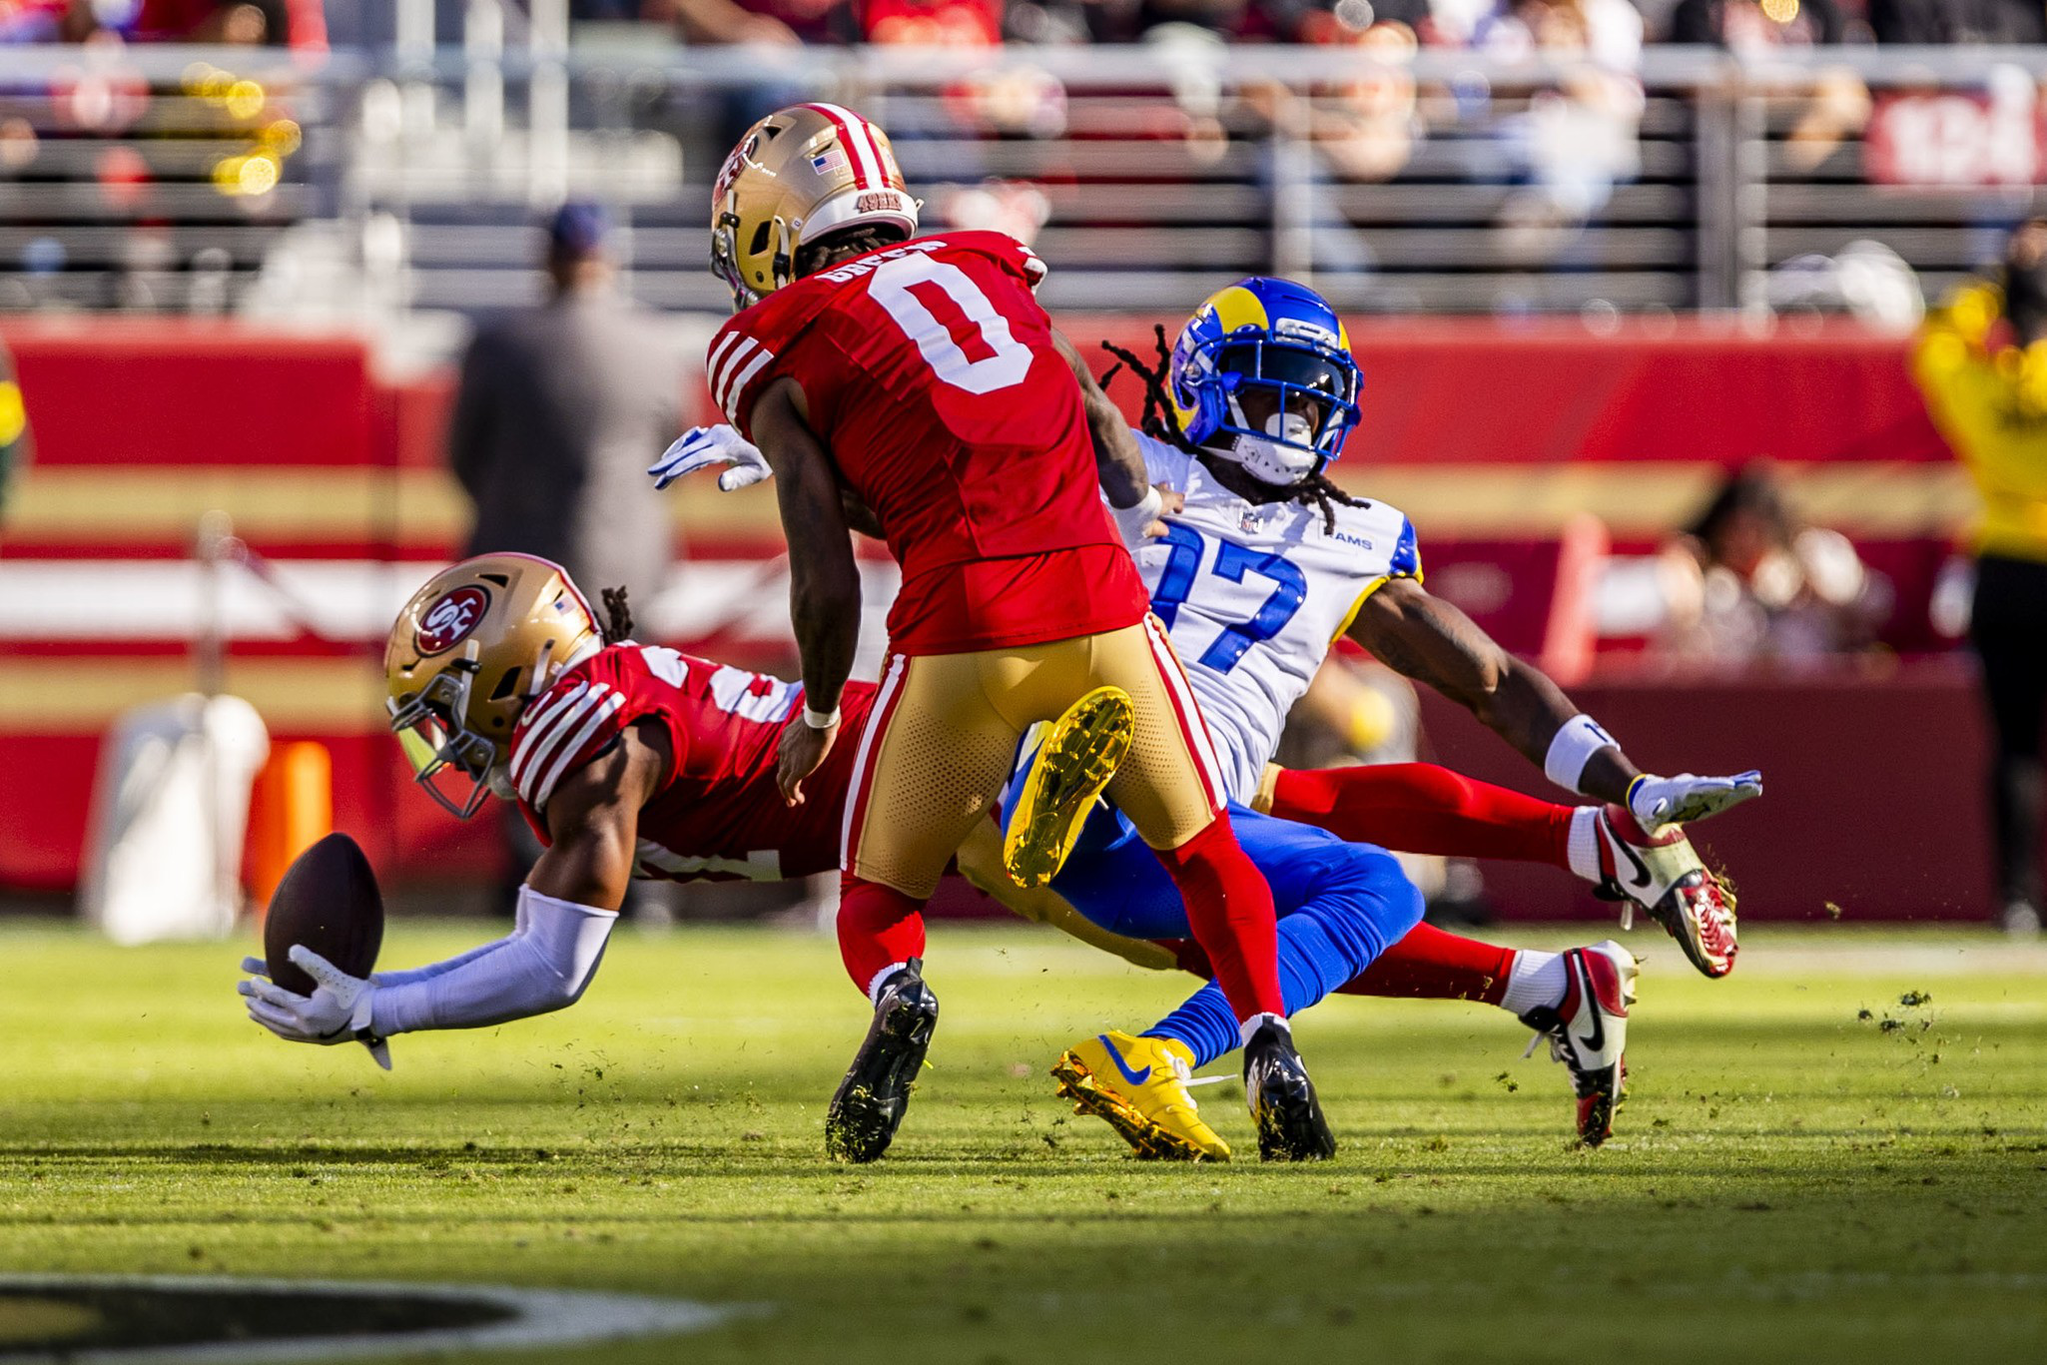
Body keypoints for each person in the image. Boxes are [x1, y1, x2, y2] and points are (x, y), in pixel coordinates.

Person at [238, 553, 1630, 1158]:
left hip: (931, 799)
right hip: (940, 789)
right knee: (1261, 900)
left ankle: (1096, 927)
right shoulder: (610, 698)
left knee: (1354, 874)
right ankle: (1546, 989)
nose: (447, 749)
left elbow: (554, 968)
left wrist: (381, 1001)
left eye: (451, 713)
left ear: (519, 676)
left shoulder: (584, 747)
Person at [702, 103, 1325, 1164]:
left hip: (961, 627)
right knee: (1207, 849)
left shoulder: (770, 341)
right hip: (1101, 605)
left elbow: (819, 560)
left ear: (772, 228)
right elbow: (1106, 434)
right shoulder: (990, 265)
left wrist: (814, 707)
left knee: (878, 890)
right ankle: (1271, 1046)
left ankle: (900, 995)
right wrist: (1125, 531)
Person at [448, 200, 685, 917]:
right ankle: (641, 889)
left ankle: (532, 883)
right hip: (627, 572)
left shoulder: (501, 342)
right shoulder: (653, 342)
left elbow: (461, 457)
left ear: (548, 256)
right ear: (606, 256)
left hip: (526, 576)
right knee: (633, 722)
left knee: (518, 727)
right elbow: (668, 453)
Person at [1911, 221, 2047, 937]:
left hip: (2004, 570)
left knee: (2015, 747)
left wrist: (1994, 287)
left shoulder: (1977, 386)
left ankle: (2015, 898)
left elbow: (1930, 341)